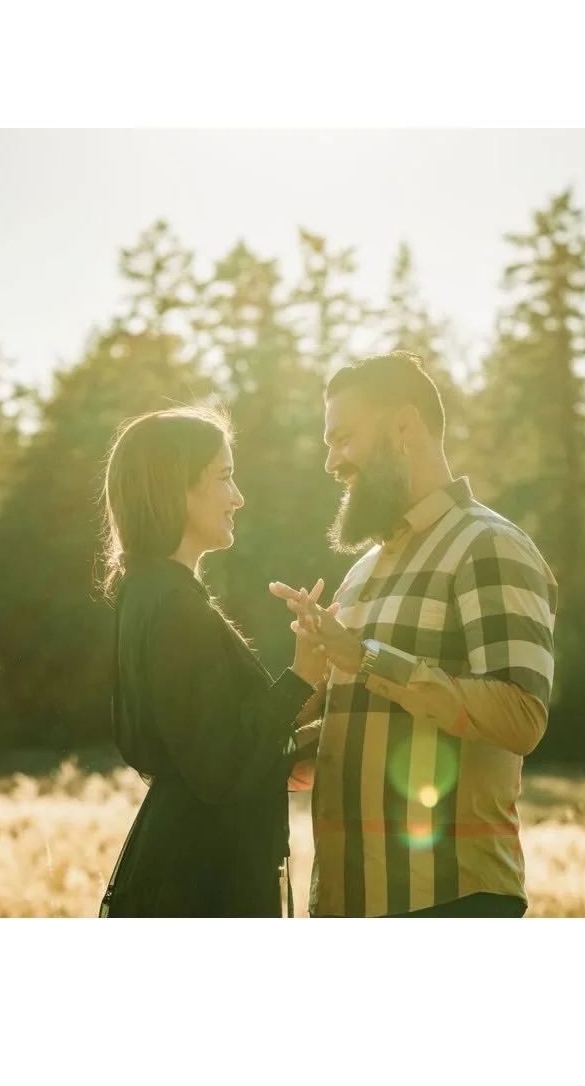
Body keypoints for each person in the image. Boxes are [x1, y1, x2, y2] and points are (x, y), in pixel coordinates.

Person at [271, 352, 558, 918]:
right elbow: (356, 729)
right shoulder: (362, 572)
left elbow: (522, 716)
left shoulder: (488, 545)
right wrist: (231, 744)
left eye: (343, 438)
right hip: (345, 902)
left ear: (404, 426)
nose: (331, 462)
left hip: (447, 900)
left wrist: (369, 659)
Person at [98, 406, 326, 918]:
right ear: (175, 488)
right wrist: (301, 675)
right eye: (223, 477)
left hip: (190, 858)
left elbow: (213, 742)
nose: (238, 496)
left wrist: (310, 719)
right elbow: (222, 765)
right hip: (202, 877)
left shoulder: (150, 593)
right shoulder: (175, 606)